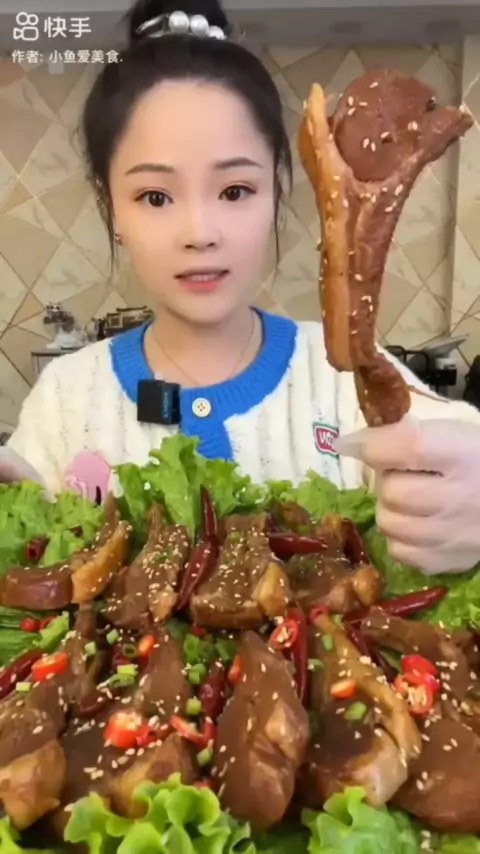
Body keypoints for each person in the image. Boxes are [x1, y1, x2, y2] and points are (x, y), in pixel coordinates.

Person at [5, 0, 480, 575]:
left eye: (234, 191)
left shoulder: (345, 379)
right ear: (113, 212)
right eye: (155, 197)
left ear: (276, 192)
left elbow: (456, 447)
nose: (200, 233)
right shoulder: (65, 400)